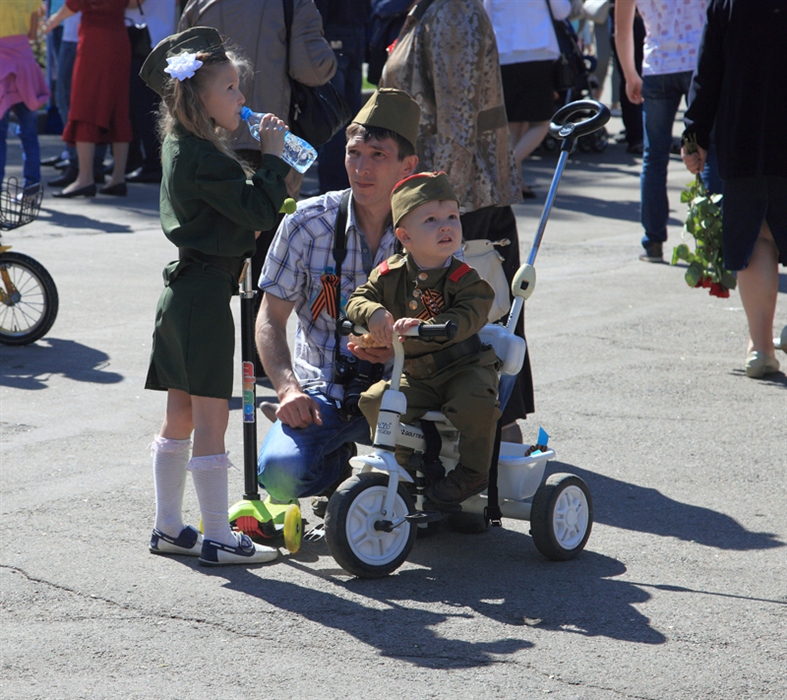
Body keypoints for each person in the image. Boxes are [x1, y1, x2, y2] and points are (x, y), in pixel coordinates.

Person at [139, 27, 289, 565]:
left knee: (180, 411)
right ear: (197, 99)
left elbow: (226, 213)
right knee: (211, 419)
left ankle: (168, 527)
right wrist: (274, 158)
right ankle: (220, 538)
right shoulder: (208, 158)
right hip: (203, 296)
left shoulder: (184, 144)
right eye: (230, 88)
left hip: (184, 294)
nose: (242, 98)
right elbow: (256, 210)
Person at [255, 88, 420, 511]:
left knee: (434, 491)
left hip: (405, 390)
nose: (361, 169)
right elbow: (270, 319)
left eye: (378, 156)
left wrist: (404, 344)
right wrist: (288, 389)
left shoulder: (432, 228)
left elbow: (457, 316)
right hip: (322, 389)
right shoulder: (306, 223)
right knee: (279, 474)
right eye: (353, 153)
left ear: (408, 166)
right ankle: (338, 470)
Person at [380, 0, 534, 442]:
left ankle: (496, 469)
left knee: (481, 344)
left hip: (464, 206)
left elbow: (456, 125)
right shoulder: (433, 8)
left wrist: (437, 210)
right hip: (452, 206)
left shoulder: (451, 11)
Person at [347, 172, 501, 506]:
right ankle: (398, 467)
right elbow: (357, 299)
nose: (446, 226)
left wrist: (434, 323)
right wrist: (373, 314)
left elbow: (473, 313)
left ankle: (474, 472)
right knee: (375, 400)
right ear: (405, 236)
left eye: (452, 217)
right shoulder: (389, 274)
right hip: (415, 372)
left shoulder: (465, 278)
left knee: (477, 400)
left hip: (463, 367)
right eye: (431, 219)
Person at [681, 0, 787, 379]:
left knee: (757, 238)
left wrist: (694, 135)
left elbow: (707, 71)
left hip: (743, 134)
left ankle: (761, 348)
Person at [615, 0, 709, 262]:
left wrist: (629, 74)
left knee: (654, 158)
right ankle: (711, 241)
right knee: (707, 152)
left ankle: (653, 242)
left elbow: (622, 29)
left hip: (657, 65)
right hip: (698, 62)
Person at [46, 0, 135, 198]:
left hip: (94, 40)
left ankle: (85, 178)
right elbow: (135, 4)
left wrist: (53, 21)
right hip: (119, 38)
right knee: (118, 107)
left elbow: (73, 3)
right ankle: (118, 178)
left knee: (84, 104)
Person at [483, 0, 572, 199]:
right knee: (541, 121)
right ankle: (509, 166)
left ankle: (516, 183)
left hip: (504, 51)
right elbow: (562, 11)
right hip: (537, 48)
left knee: (515, 123)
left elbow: (485, 15)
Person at [312, 0, 369, 195]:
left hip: (333, 30)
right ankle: (349, 179)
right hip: (356, 30)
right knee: (351, 115)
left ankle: (332, 185)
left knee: (333, 115)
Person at [0, 0, 49, 190]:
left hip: (2, 66)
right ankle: (31, 186)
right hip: (24, 64)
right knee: (29, 132)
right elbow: (32, 35)